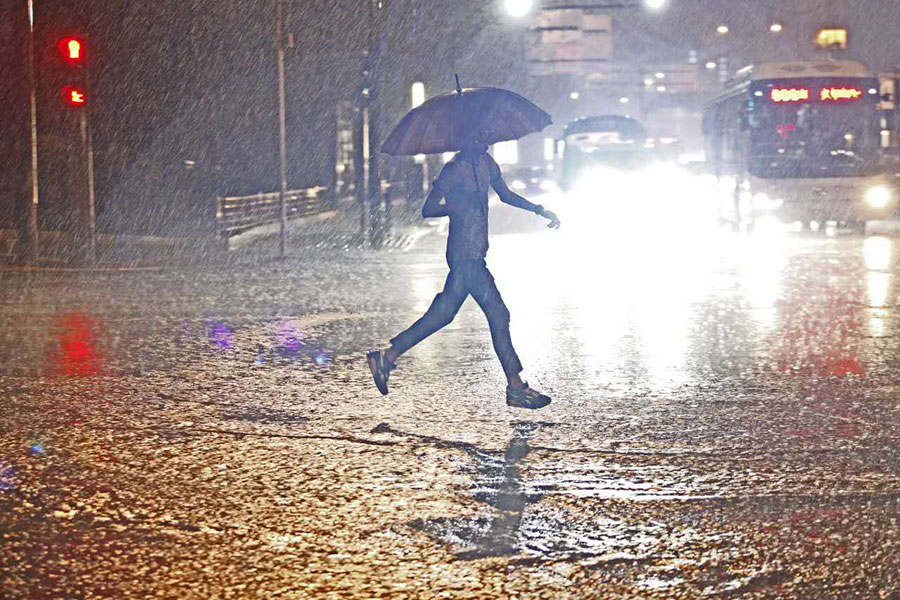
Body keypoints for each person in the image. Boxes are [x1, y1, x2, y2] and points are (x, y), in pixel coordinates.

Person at [366, 133, 561, 409]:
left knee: (444, 314)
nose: (485, 141)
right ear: (466, 139)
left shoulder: (485, 163)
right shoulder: (454, 169)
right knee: (498, 313)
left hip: (476, 252)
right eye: (480, 136)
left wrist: (539, 210)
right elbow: (428, 209)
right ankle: (515, 386)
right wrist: (456, 206)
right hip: (463, 255)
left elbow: (505, 195)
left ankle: (388, 357)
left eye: (485, 137)